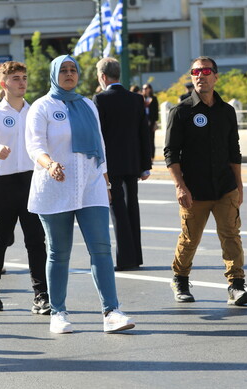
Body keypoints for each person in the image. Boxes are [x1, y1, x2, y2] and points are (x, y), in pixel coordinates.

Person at [26, 55, 135, 334]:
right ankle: (58, 313)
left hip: (91, 185)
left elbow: (100, 145)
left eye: (73, 69)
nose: (69, 74)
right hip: (55, 187)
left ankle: (111, 312)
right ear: (54, 75)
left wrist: (106, 183)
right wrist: (49, 164)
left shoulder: (88, 104)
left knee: (101, 249)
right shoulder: (42, 107)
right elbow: (34, 146)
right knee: (59, 252)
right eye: (63, 70)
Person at [164, 56, 247, 306]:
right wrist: (180, 186)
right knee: (190, 238)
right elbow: (171, 153)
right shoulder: (180, 112)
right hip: (194, 190)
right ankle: (180, 279)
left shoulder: (227, 111)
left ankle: (236, 285)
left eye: (205, 71)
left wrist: (239, 185)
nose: (200, 76)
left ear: (215, 76)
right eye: (195, 72)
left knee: (231, 235)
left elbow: (234, 150)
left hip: (225, 187)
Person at [0, 61, 49, 314]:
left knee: (36, 240)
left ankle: (41, 294)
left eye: (24, 78)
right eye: (16, 78)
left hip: (31, 180)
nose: (22, 82)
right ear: (4, 84)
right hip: (2, 182)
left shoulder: (35, 111)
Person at [93, 57, 152, 271]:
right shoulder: (136, 99)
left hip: (111, 165)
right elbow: (144, 133)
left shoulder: (100, 99)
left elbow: (98, 136)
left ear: (103, 76)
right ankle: (135, 256)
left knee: (117, 210)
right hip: (132, 161)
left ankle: (125, 259)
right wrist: (146, 164)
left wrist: (98, 166)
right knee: (132, 208)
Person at [142, 83, 159, 159]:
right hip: (143, 121)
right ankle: (146, 156)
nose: (144, 90)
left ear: (150, 89)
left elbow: (156, 111)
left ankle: (152, 156)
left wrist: (155, 122)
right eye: (143, 88)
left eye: (146, 88)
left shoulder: (154, 98)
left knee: (151, 139)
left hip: (151, 121)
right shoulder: (141, 98)